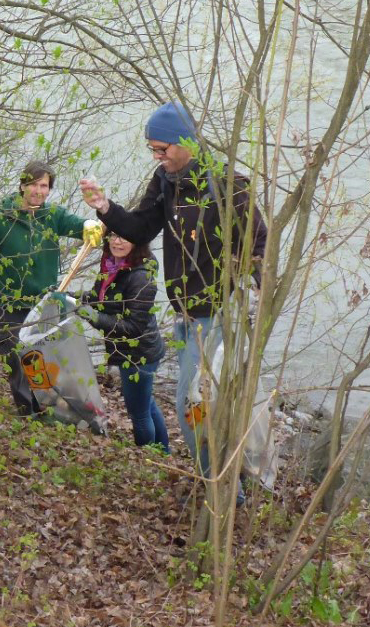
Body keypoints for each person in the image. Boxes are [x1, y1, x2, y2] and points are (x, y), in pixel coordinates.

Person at [78, 101, 268, 480]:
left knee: (192, 404)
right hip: (185, 316)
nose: (157, 157)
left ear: (187, 144)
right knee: (195, 406)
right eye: (152, 149)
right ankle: (220, 482)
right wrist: (105, 207)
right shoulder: (165, 181)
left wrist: (259, 294)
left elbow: (260, 243)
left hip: (217, 316)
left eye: (162, 149)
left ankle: (225, 487)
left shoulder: (228, 185)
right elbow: (140, 229)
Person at [0, 160, 103, 416]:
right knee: (17, 360)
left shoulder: (52, 217)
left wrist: (88, 226)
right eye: (34, 184)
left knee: (50, 363)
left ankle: (59, 412)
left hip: (45, 306)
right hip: (10, 306)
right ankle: (29, 414)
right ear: (22, 185)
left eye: (44, 186)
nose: (39, 191)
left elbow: (76, 224)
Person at [75, 232, 169, 452]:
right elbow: (99, 296)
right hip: (128, 351)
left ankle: (148, 458)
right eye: (113, 236)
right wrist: (72, 299)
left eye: (124, 237)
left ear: (137, 241)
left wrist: (91, 316)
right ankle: (164, 453)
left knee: (139, 412)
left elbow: (133, 327)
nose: (117, 242)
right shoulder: (111, 264)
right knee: (146, 403)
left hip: (139, 354)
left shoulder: (141, 277)